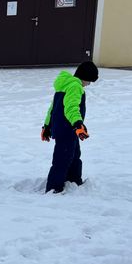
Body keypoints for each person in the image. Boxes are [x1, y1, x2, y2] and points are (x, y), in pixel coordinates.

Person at [41, 61, 98, 193]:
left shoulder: (64, 86)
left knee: (74, 155)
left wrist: (47, 126)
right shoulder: (75, 87)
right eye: (89, 81)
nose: (88, 84)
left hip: (66, 130)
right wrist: (78, 123)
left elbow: (53, 109)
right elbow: (71, 108)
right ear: (85, 77)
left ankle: (73, 180)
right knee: (62, 159)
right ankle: (54, 188)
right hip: (68, 129)